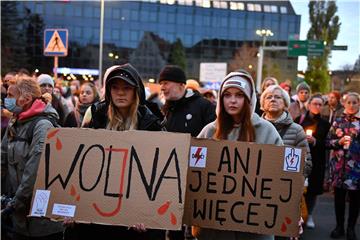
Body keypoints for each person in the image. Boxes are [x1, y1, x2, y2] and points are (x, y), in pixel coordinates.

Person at [65, 63, 165, 240]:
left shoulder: (152, 125)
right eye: (115, 87)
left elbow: (158, 177)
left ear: (136, 91)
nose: (120, 92)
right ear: (109, 90)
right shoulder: (96, 118)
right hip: (96, 219)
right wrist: (73, 207)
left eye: (126, 88)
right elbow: (80, 166)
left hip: (132, 220)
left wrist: (148, 214)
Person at [195, 71, 283, 240]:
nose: (233, 100)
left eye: (239, 95)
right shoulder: (209, 131)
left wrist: (292, 212)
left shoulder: (266, 131)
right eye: (227, 95)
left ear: (249, 99)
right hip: (215, 228)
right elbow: (193, 174)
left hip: (255, 227)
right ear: (221, 99)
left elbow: (283, 178)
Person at [1, 76, 63, 240]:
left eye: (10, 95)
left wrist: (15, 203)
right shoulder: (15, 122)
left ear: (26, 99)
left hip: (39, 221)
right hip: (17, 215)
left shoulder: (42, 125)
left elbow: (33, 170)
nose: (6, 100)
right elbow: (2, 158)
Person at [327, 92, 360, 240]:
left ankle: (351, 228)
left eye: (355, 102)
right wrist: (338, 142)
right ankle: (339, 226)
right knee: (339, 199)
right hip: (339, 167)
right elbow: (328, 142)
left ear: (359, 103)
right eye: (349, 102)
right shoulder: (338, 121)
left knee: (355, 200)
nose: (352, 105)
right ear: (344, 104)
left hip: (356, 169)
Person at [294, 94, 330, 229]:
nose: (317, 106)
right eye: (315, 103)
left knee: (313, 190)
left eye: (320, 104)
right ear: (309, 105)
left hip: (317, 160)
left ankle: (309, 215)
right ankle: (297, 214)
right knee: (299, 188)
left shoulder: (325, 124)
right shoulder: (300, 120)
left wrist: (315, 141)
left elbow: (328, 142)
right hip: (301, 159)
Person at [260, 85, 312, 177]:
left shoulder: (297, 130)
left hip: (282, 186)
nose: (272, 99)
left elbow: (306, 165)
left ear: (285, 104)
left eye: (277, 97)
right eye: (269, 97)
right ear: (263, 104)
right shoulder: (254, 128)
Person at [159, 65, 215, 137]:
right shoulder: (163, 110)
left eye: (166, 83)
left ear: (181, 84)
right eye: (161, 84)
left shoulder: (204, 107)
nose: (162, 88)